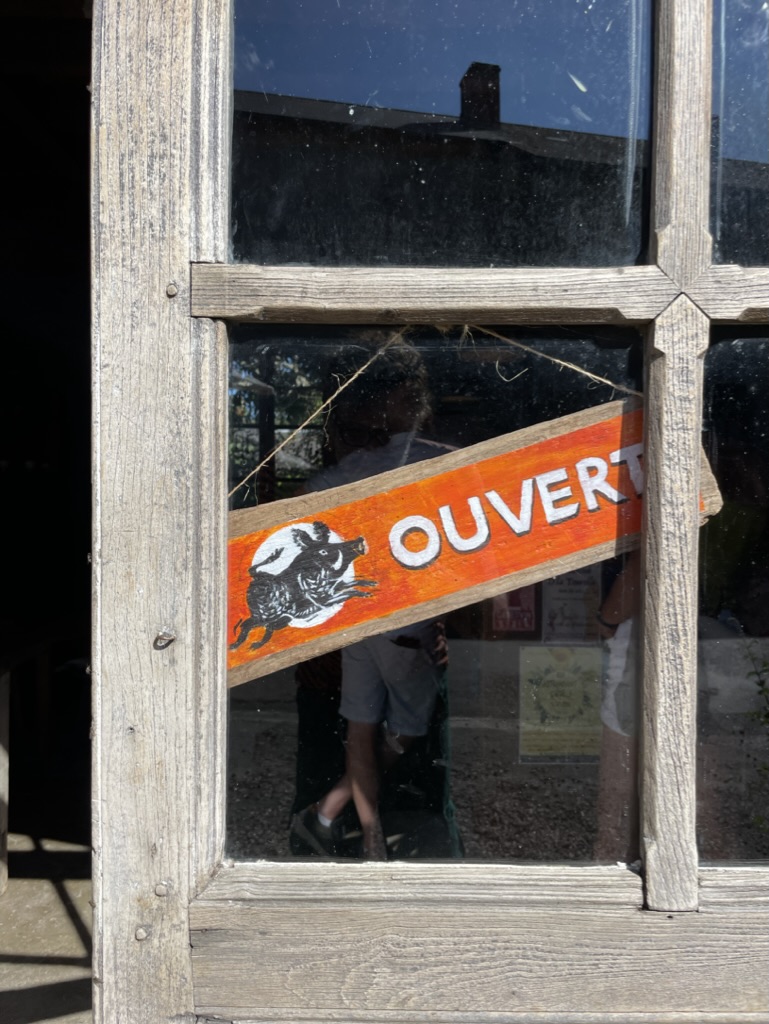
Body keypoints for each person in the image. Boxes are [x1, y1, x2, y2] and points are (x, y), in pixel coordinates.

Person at [290, 337, 456, 860]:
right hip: (380, 635)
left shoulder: (364, 470)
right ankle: (352, 829)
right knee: (398, 736)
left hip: (370, 629)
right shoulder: (425, 463)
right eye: (354, 431)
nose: (370, 445)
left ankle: (354, 830)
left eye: (383, 432)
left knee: (372, 739)